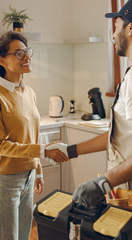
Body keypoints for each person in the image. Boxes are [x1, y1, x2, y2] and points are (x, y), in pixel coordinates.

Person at [47, 0, 132, 209]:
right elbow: (118, 136)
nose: (112, 36)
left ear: (130, 29)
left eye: (115, 28)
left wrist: (103, 182)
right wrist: (71, 150)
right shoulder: (129, 75)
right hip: (122, 190)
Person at [0, 31, 69, 240]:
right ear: (1, 60)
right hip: (5, 180)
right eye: (18, 54)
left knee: (24, 234)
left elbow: (33, 135)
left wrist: (37, 171)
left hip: (28, 177)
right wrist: (44, 151)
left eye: (27, 52)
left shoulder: (28, 92)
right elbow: (0, 145)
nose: (27, 57)